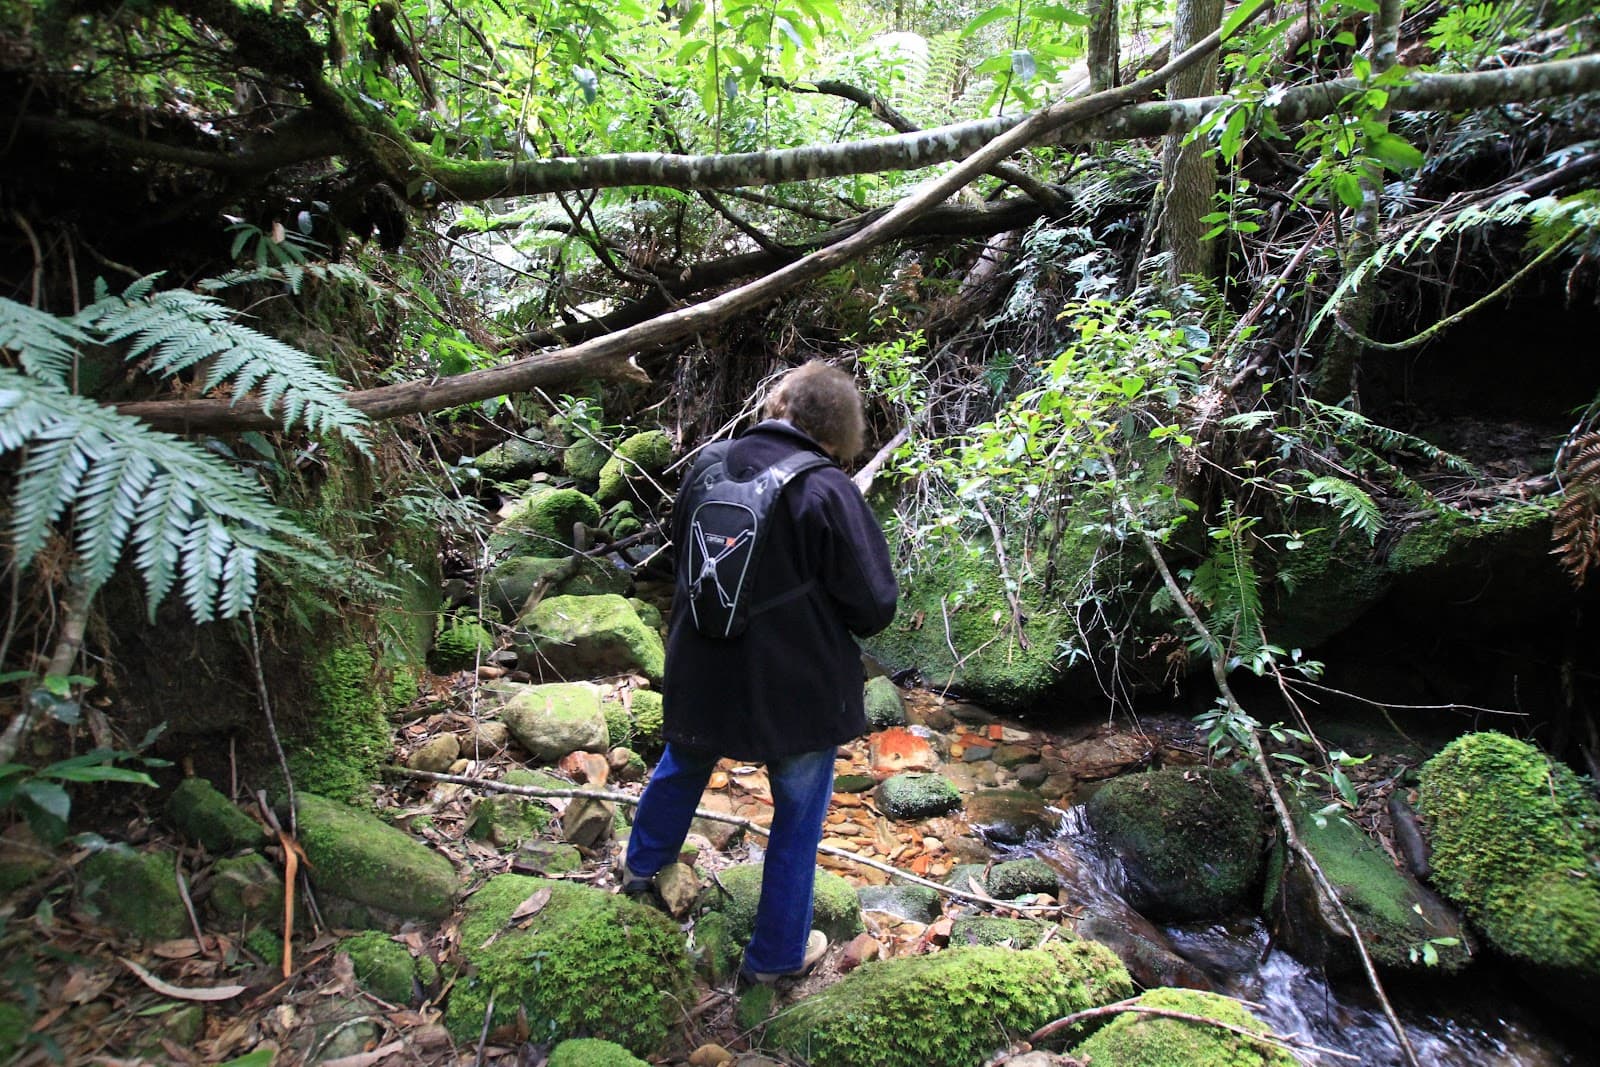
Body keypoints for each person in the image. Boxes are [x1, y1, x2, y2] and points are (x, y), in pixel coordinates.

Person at [621, 361, 899, 983]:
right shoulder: (828, 489)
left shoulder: (706, 465)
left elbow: (681, 556)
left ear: (779, 405)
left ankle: (640, 869)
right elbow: (875, 605)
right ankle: (774, 958)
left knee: (683, 763)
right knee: (798, 819)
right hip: (793, 689)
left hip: (701, 666)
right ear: (841, 432)